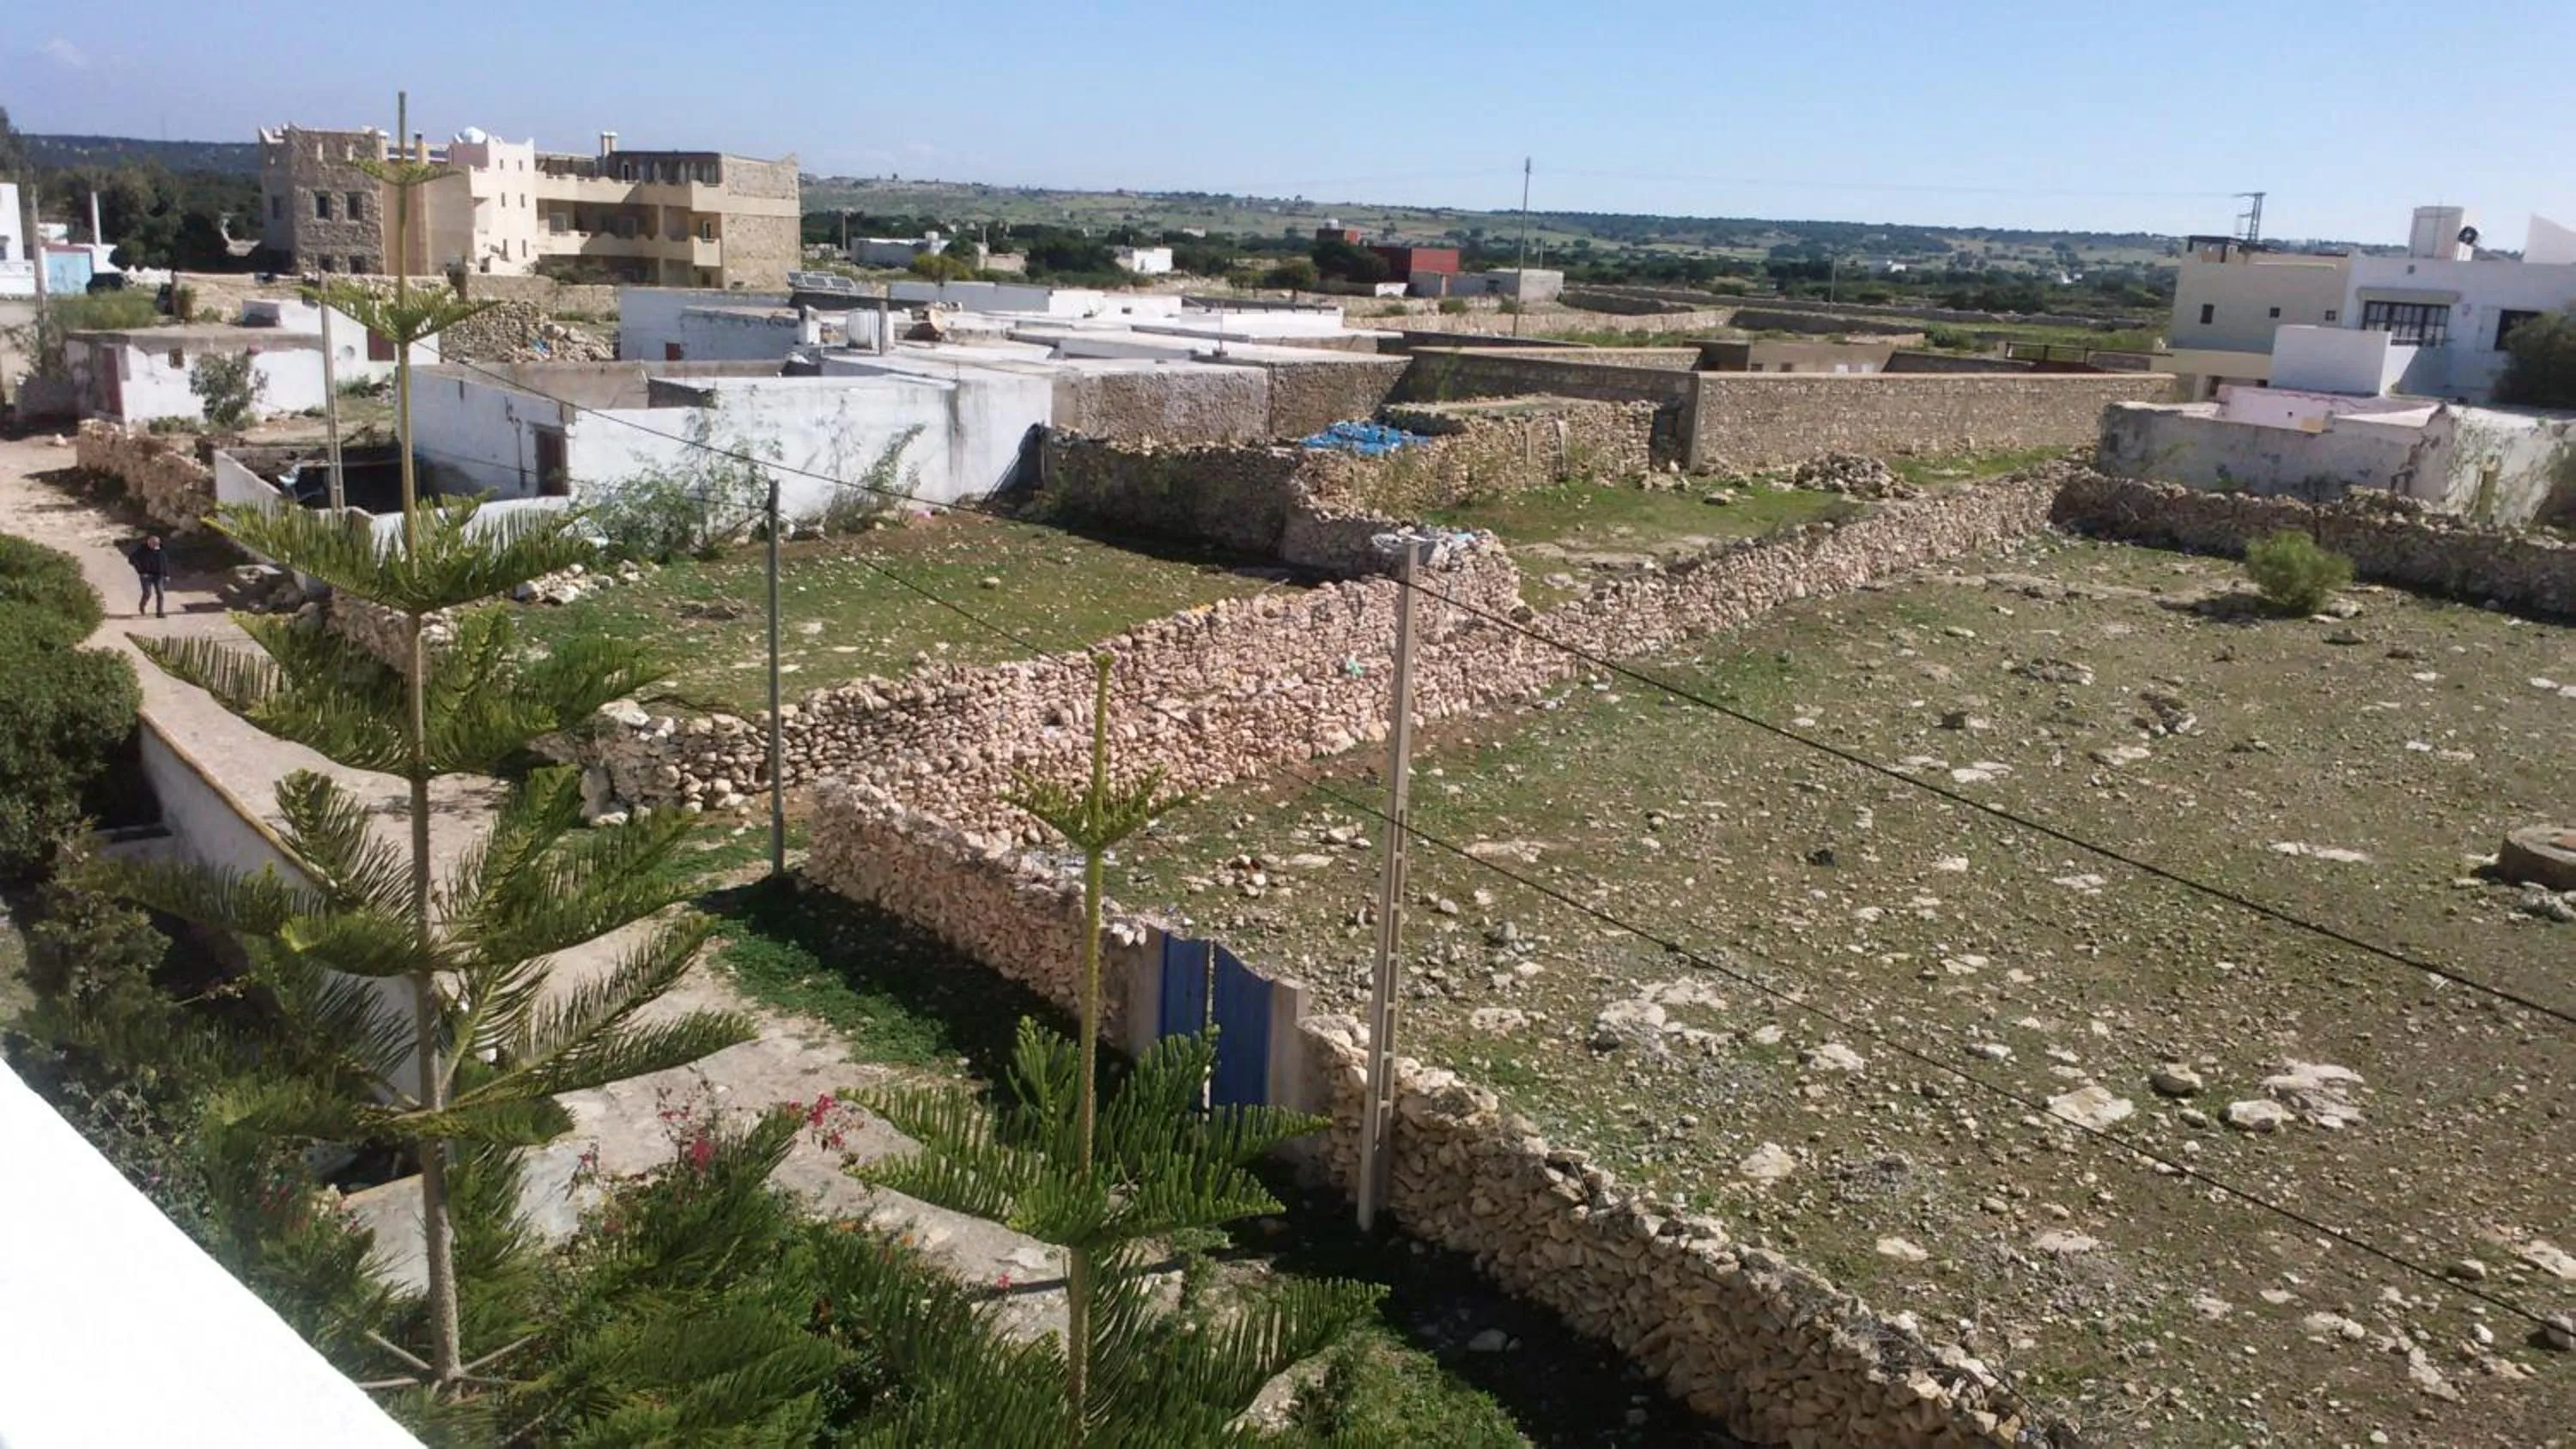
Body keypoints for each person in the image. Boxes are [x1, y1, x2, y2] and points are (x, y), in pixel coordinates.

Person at [130, 535, 169, 619]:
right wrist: (141, 571)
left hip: (158, 575)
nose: (155, 546)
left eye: (156, 544)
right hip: (146, 575)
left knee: (160, 594)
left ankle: (160, 612)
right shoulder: (141, 550)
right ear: (149, 543)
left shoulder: (161, 551)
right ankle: (142, 606)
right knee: (147, 593)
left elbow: (165, 563)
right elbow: (132, 559)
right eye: (153, 544)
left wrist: (166, 574)